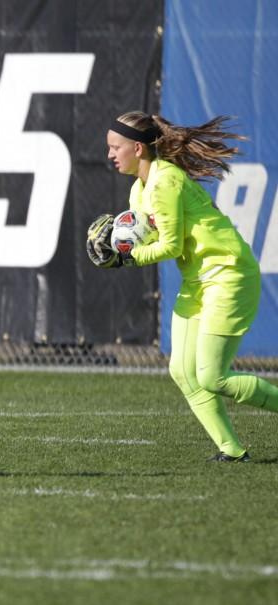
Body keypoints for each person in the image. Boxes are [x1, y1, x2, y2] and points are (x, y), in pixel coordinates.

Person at [88, 111, 278, 462]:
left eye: (116, 147)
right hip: (199, 280)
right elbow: (150, 237)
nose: (110, 154)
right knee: (182, 370)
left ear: (139, 148)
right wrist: (118, 244)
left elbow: (171, 246)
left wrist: (128, 257)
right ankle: (232, 451)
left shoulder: (165, 182)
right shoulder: (139, 190)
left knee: (212, 377)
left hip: (228, 273)